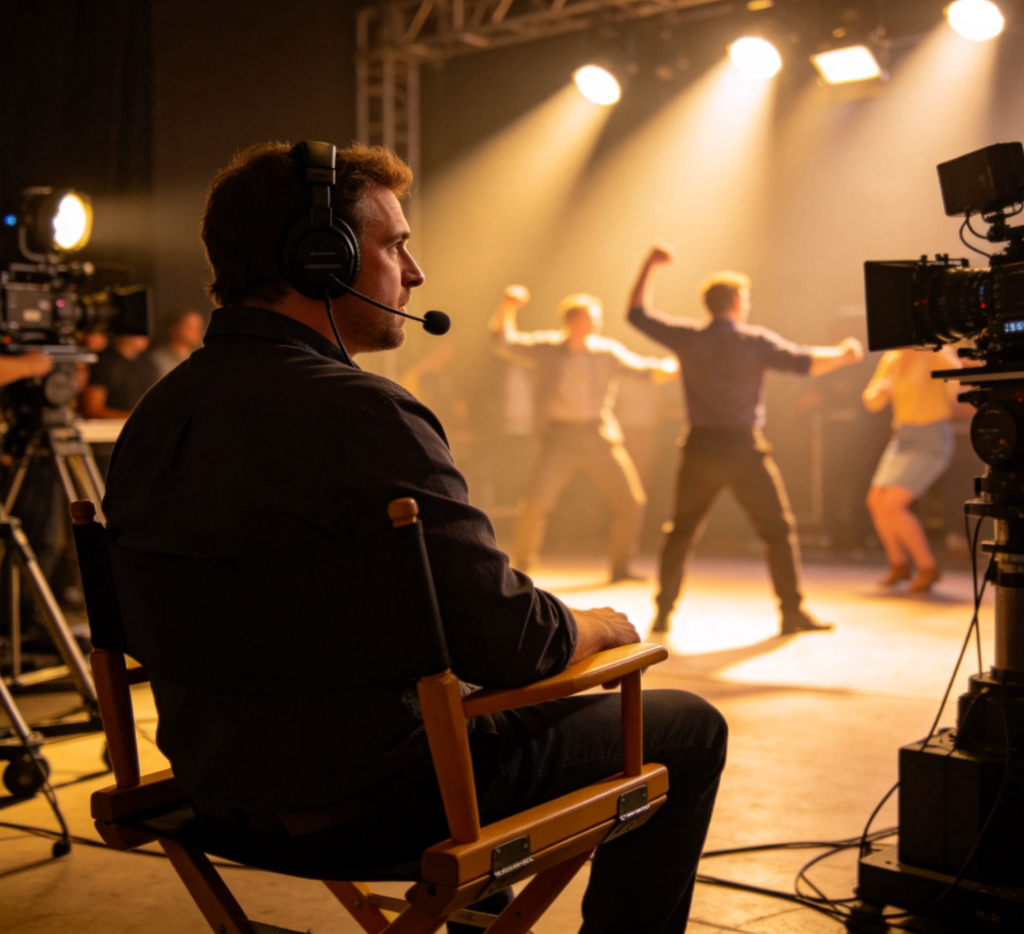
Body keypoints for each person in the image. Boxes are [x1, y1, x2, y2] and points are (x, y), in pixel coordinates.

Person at [101, 141, 727, 934]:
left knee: (453, 701)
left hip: (211, 792)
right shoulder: (367, 415)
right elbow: (516, 646)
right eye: (395, 244)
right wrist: (599, 626)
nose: (415, 272)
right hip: (369, 809)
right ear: (319, 257)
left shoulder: (153, 418)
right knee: (689, 725)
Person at [627, 245, 864, 637]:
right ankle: (791, 613)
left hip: (699, 446)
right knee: (777, 530)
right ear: (737, 302)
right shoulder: (754, 342)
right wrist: (842, 355)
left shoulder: (689, 339)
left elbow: (636, 314)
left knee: (680, 531)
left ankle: (663, 614)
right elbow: (805, 362)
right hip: (742, 448)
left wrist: (649, 267)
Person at [490, 285, 677, 583]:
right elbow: (504, 343)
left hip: (599, 436)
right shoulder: (548, 348)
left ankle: (621, 567)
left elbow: (641, 371)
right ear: (574, 320)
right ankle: (523, 565)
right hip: (561, 438)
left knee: (631, 502)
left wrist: (672, 366)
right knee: (536, 502)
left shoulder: (605, 352)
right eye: (591, 317)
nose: (597, 323)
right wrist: (508, 306)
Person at [862, 346, 962, 593]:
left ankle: (928, 567)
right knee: (876, 501)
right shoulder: (892, 358)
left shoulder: (933, 354)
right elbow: (871, 401)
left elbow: (958, 380)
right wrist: (881, 391)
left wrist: (949, 352)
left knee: (893, 504)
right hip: (902, 437)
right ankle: (899, 564)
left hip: (931, 437)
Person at [79, 334, 160, 419]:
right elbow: (93, 409)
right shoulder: (103, 361)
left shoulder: (148, 363)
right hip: (108, 428)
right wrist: (136, 419)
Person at [147, 307, 205, 378]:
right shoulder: (158, 360)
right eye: (190, 328)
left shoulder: (202, 359)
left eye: (199, 328)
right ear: (173, 330)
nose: (197, 333)